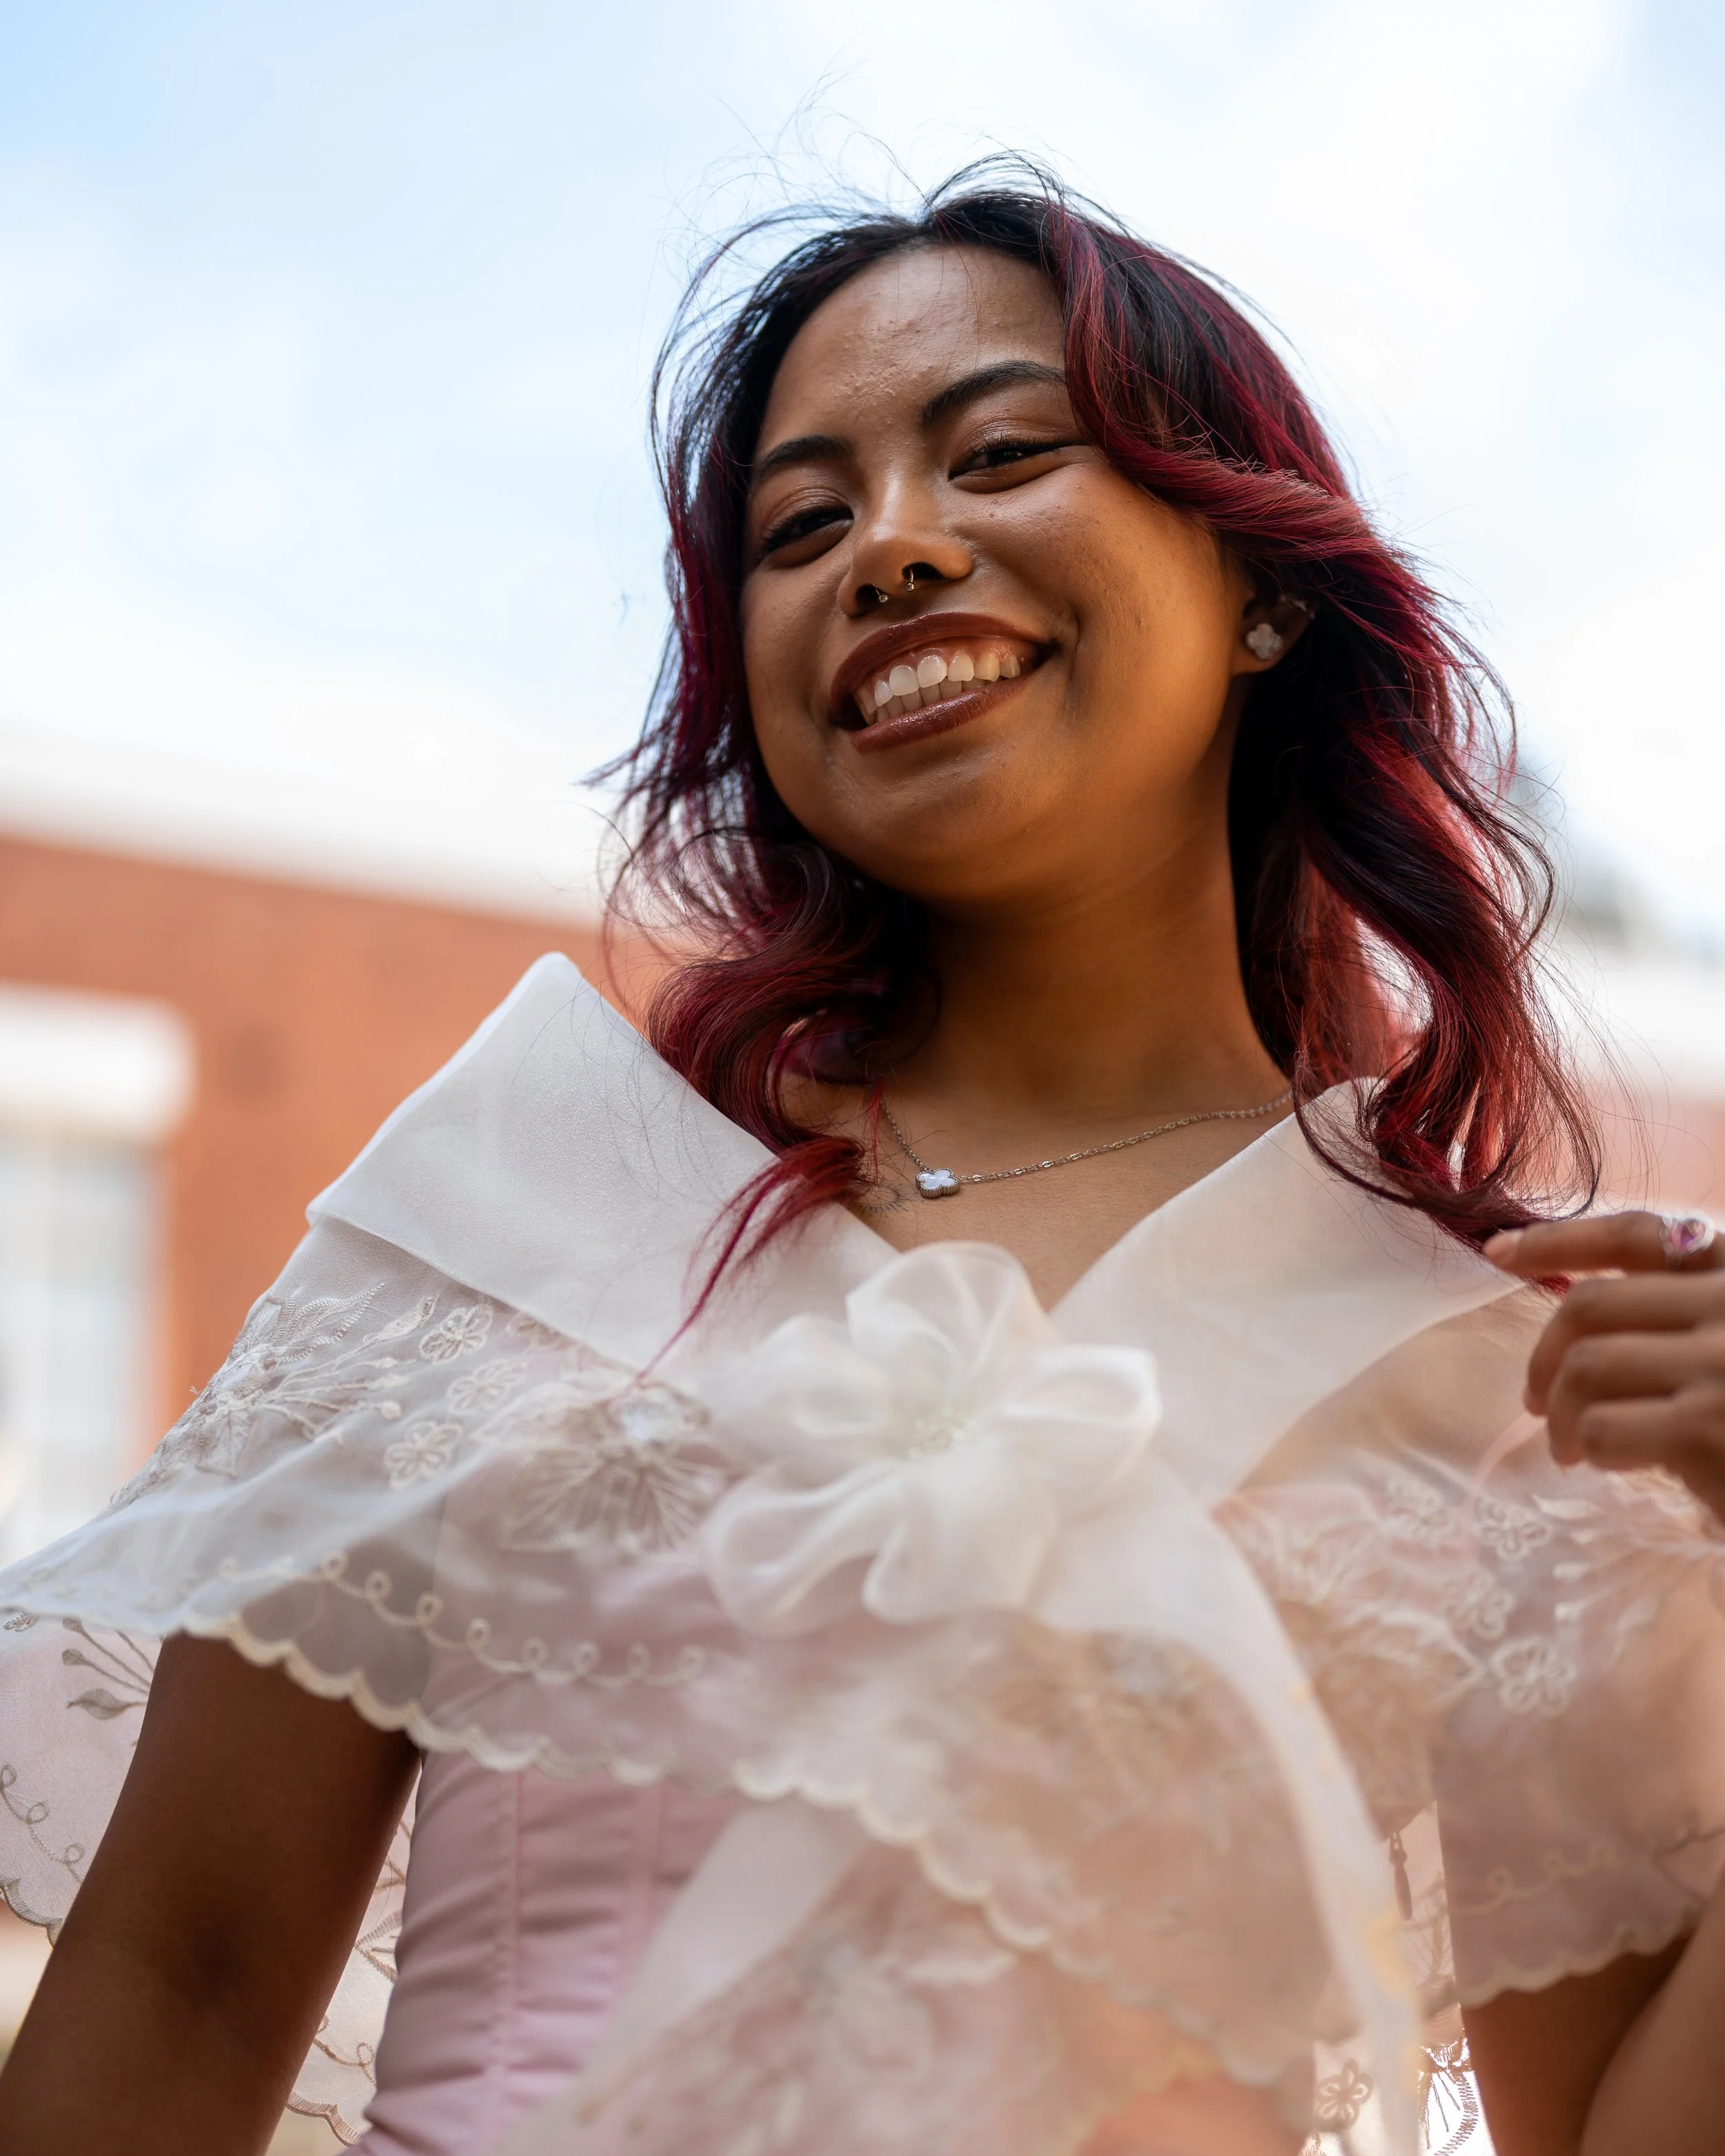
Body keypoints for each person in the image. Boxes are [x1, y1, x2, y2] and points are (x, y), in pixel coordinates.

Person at [1, 165, 1724, 2156]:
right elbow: (179, 1978)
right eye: (800, 524)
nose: (892, 550)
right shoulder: (522, 1205)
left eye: (1000, 451)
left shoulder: (1494, 1377)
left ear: (1260, 582)